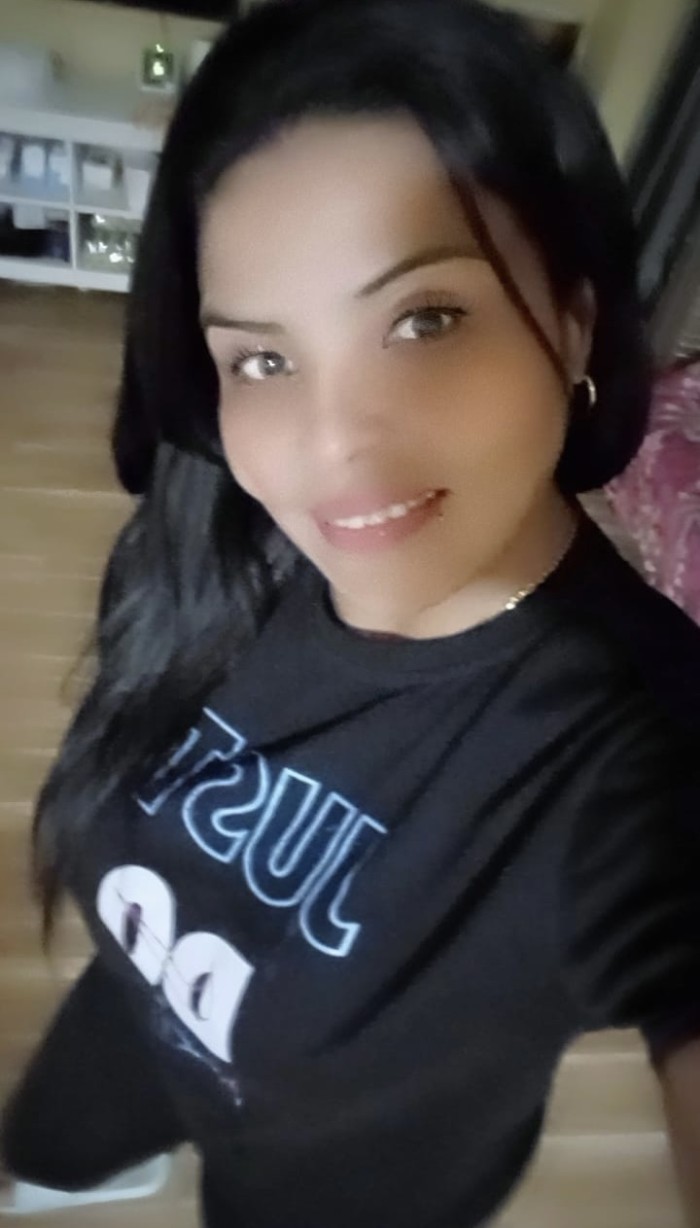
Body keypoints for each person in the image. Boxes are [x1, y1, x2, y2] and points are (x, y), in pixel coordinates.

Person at [2, 0, 700, 1225]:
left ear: (571, 321)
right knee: (51, 1139)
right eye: (263, 359)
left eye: (424, 320)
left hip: (333, 1193)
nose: (333, 449)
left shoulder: (634, 747)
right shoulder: (216, 544)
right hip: (128, 1028)